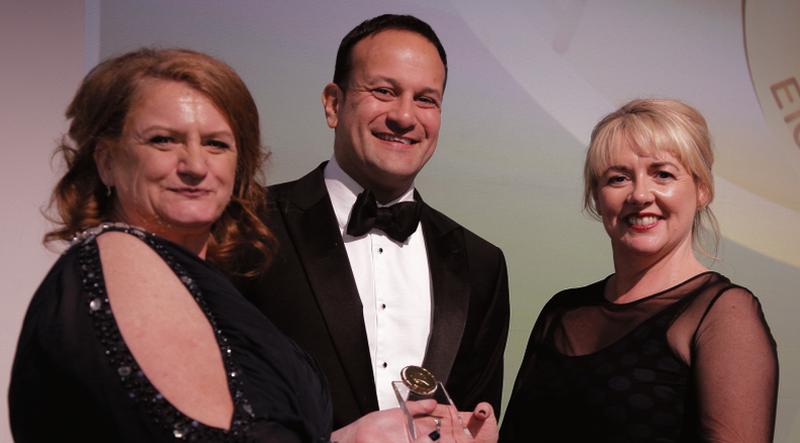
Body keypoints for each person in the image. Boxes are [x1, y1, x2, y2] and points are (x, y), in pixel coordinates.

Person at [8, 47, 496, 443]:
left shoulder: (190, 273)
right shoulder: (122, 258)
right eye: (163, 140)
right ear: (108, 160)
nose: (196, 164)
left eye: (217, 144)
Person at [236, 14, 510, 429]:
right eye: (384, 91)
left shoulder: (482, 265)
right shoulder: (248, 226)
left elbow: (475, 419)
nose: (404, 116)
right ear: (333, 103)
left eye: (426, 99)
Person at [500, 99, 778, 442]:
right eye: (618, 178)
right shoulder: (563, 312)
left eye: (663, 174)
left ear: (702, 188)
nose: (640, 194)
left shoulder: (722, 315)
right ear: (597, 198)